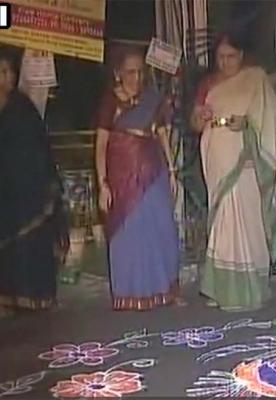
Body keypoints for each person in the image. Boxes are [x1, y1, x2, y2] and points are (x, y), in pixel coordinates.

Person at [190, 32, 276, 312]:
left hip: (244, 159)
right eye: (220, 57)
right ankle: (220, 289)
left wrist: (246, 123)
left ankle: (251, 288)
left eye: (231, 56)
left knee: (244, 220)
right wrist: (199, 117)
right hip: (216, 158)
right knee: (221, 221)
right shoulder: (209, 84)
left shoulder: (255, 80)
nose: (225, 62)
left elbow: (267, 121)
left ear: (242, 56)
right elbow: (195, 124)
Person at [0, 50, 68, 316]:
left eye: (11, 71)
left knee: (32, 241)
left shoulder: (22, 106)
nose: (9, 77)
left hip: (28, 188)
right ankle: (2, 298)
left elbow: (40, 146)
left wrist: (49, 183)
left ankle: (34, 296)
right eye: (2, 71)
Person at [95, 44, 183, 311]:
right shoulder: (111, 101)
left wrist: (171, 171)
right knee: (129, 232)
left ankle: (163, 289)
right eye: (130, 72)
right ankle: (131, 293)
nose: (136, 78)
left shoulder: (152, 99)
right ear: (118, 73)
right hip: (122, 175)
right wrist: (103, 184)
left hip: (152, 170)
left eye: (140, 72)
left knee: (160, 226)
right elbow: (101, 144)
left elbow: (162, 135)